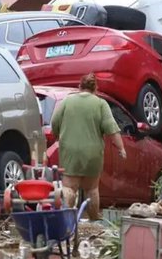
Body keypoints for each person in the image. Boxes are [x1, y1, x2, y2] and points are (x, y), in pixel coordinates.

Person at [50, 73, 127, 221]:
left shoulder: (67, 101)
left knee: (69, 188)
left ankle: (67, 221)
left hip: (70, 151)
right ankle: (93, 221)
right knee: (92, 189)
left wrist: (57, 135)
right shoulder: (100, 104)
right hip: (93, 153)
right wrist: (121, 148)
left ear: (80, 86)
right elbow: (112, 128)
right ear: (95, 88)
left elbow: (54, 122)